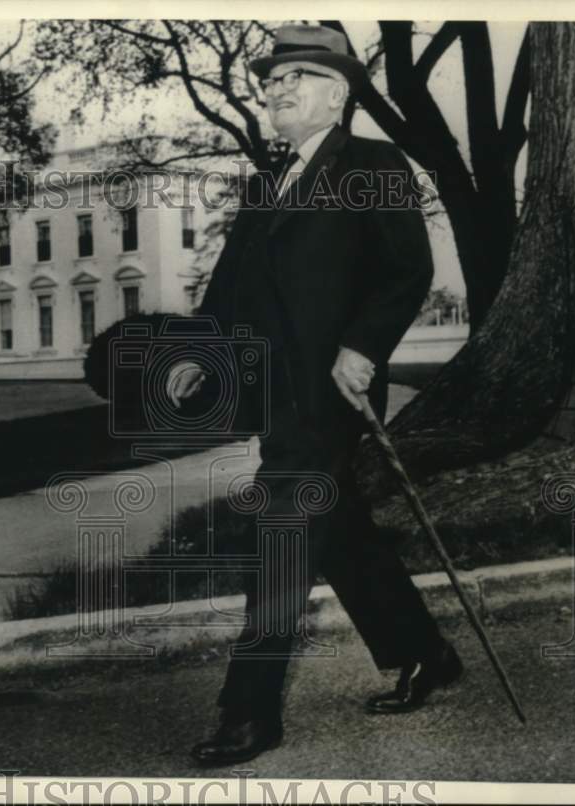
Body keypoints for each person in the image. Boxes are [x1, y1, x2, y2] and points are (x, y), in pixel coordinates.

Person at [167, 24, 462, 766]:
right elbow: (231, 287)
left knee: (282, 535)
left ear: (338, 92)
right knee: (343, 530)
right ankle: (425, 652)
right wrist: (201, 353)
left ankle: (249, 712)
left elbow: (406, 271)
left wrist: (363, 347)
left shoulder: (373, 162)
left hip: (332, 391)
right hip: (276, 394)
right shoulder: (267, 183)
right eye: (271, 82)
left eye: (297, 76)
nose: (279, 90)